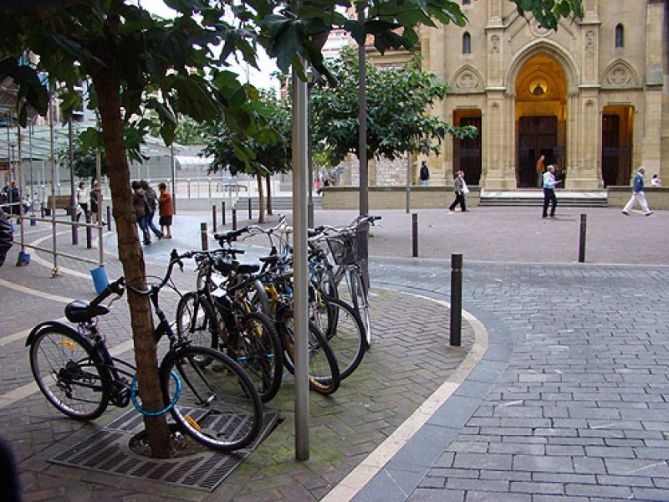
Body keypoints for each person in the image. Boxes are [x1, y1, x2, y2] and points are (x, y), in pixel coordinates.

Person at [132, 180, 151, 244]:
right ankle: (147, 238)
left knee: (141, 226)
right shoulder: (143, 193)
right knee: (145, 225)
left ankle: (146, 236)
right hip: (145, 210)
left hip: (138, 212)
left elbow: (132, 203)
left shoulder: (135, 195)